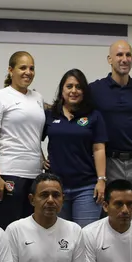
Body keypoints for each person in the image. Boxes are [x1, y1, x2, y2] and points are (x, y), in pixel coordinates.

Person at [90, 40, 132, 221]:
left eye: (128, 55)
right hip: (109, 162)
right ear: (110, 59)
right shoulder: (96, 89)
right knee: (108, 215)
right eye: (119, 55)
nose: (124, 59)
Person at [0, 51, 46, 229]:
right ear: (11, 70)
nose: (28, 72)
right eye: (23, 67)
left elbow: (33, 134)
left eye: (31, 68)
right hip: (9, 172)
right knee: (8, 229)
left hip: (34, 175)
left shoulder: (37, 98)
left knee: (31, 231)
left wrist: (42, 158)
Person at [44, 69, 108, 227]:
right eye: (69, 86)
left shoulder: (94, 115)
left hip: (86, 188)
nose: (74, 91)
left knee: (85, 237)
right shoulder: (50, 114)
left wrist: (101, 180)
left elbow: (99, 149)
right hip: (56, 188)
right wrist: (40, 158)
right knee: (60, 238)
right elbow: (32, 137)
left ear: (84, 91)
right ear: (62, 90)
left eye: (78, 87)